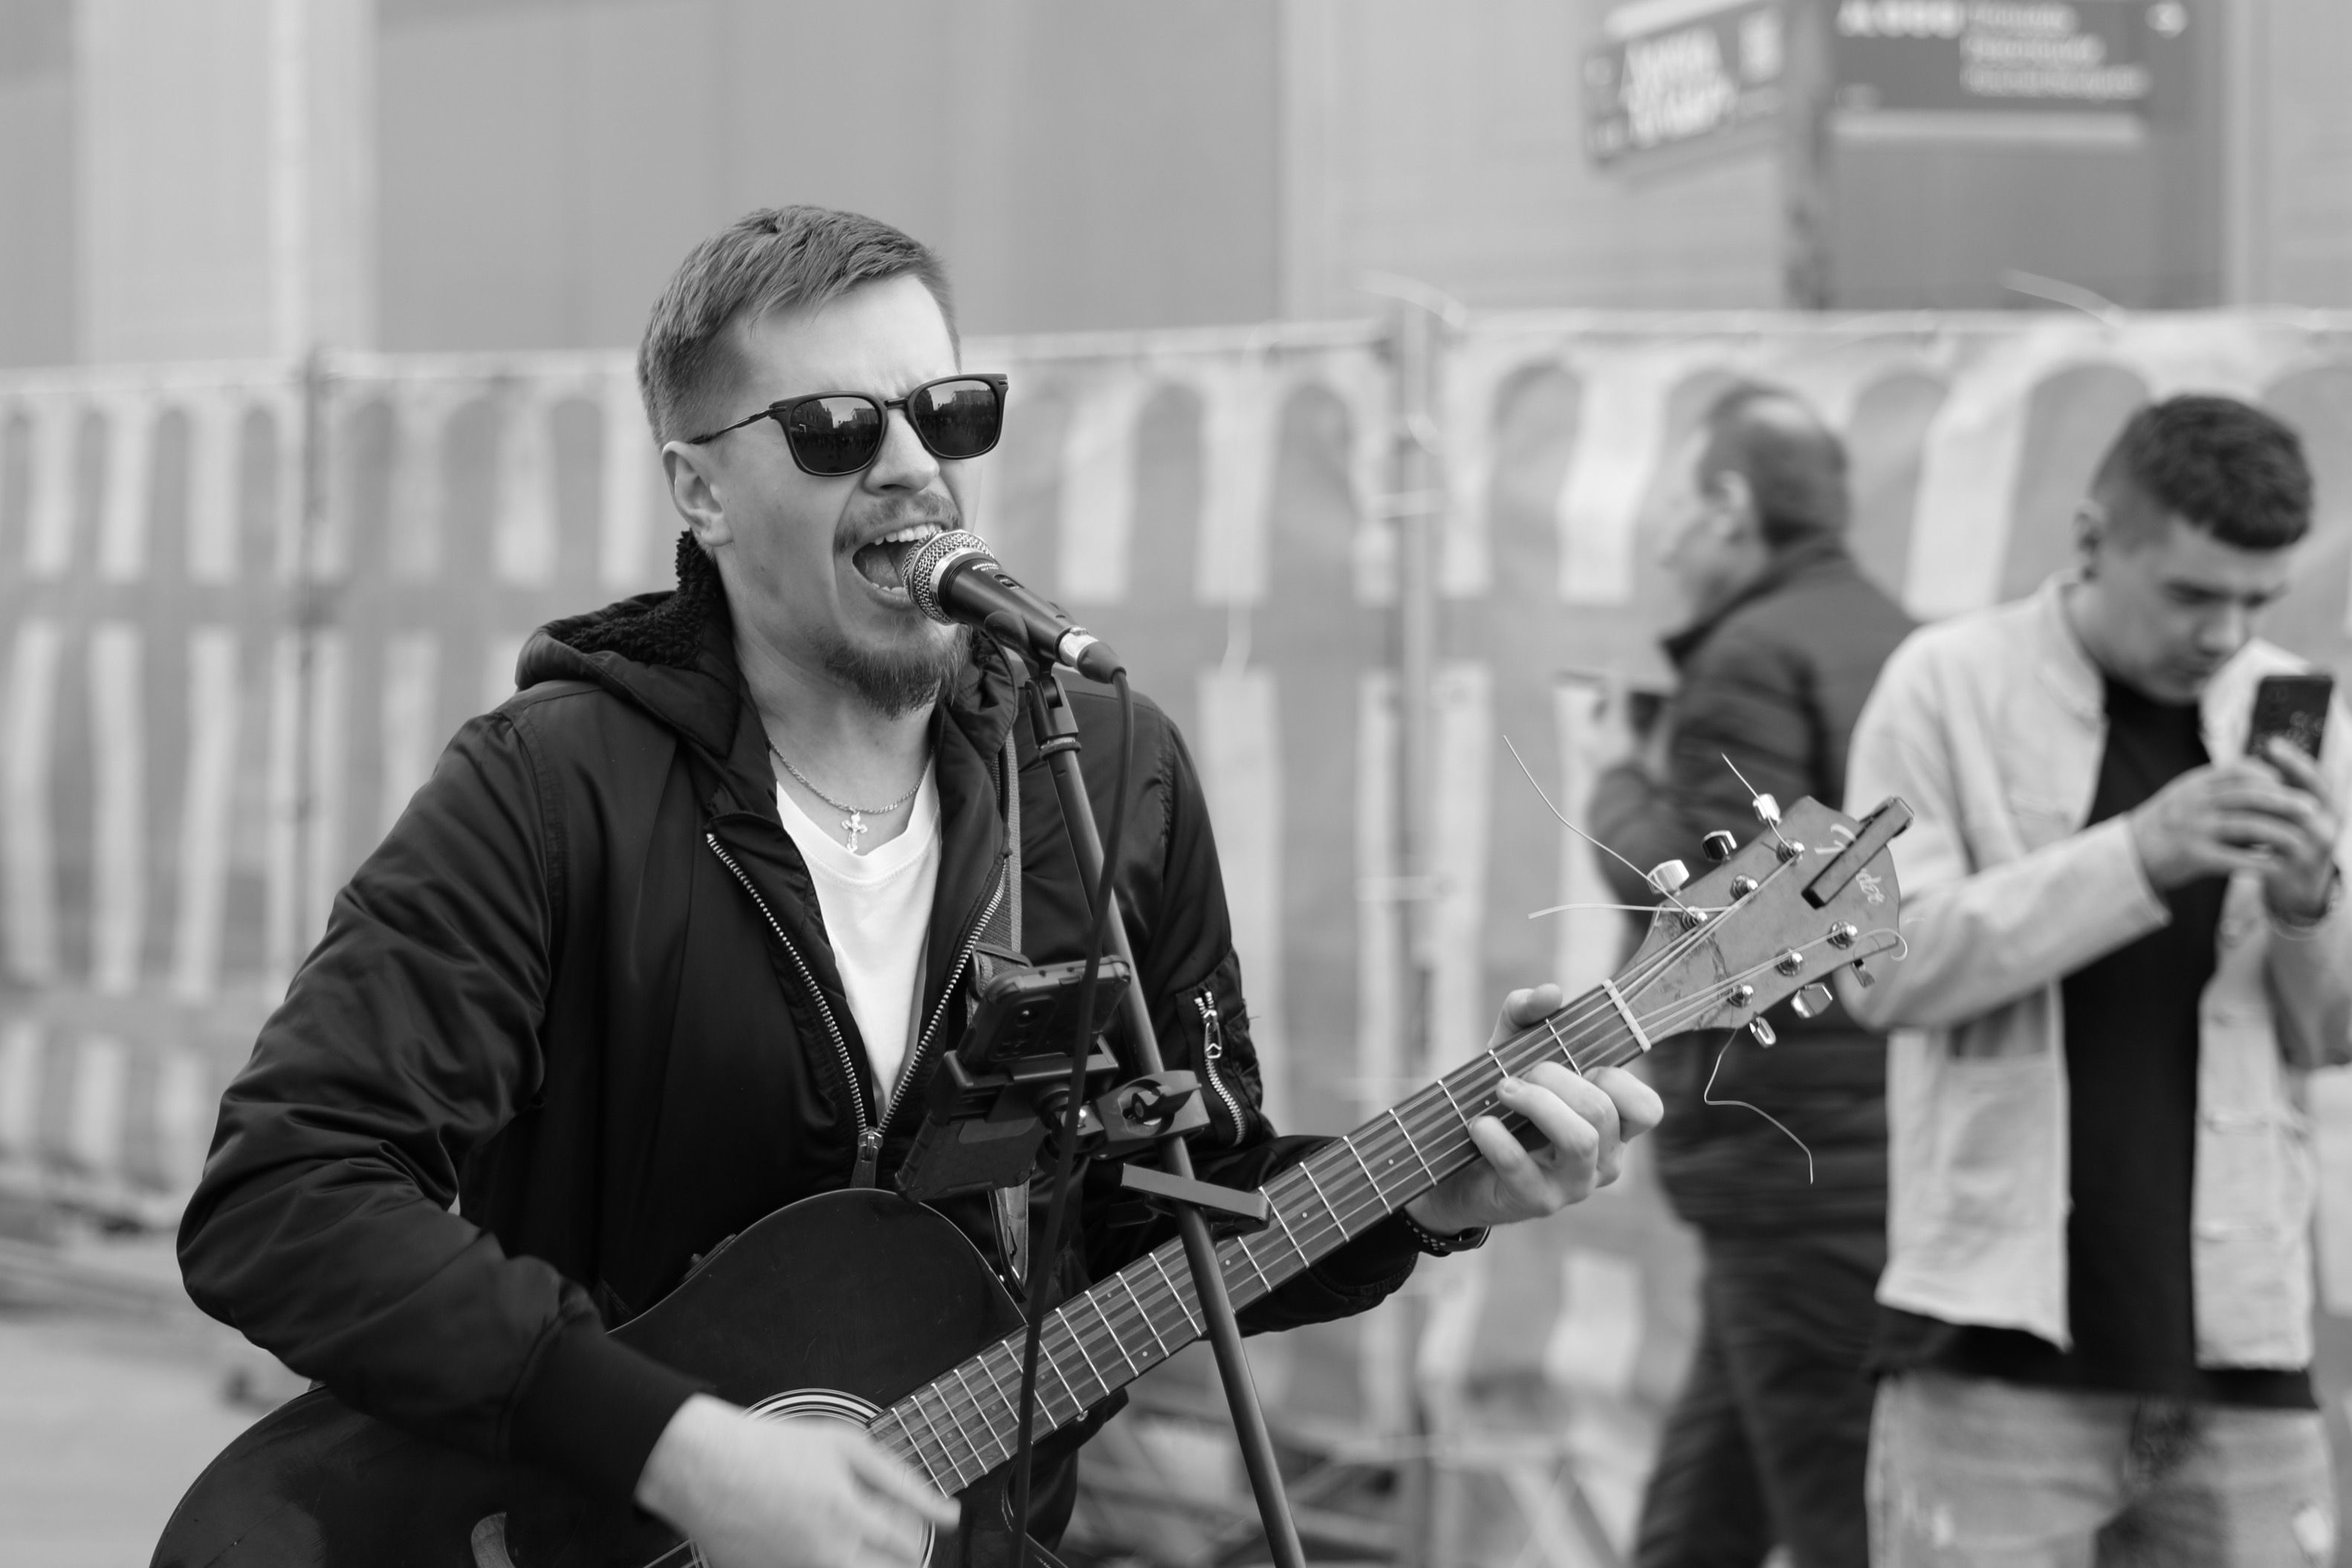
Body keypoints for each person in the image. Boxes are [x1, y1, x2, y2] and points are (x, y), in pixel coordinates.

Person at [175, 206, 1663, 1568]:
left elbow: (1163, 1214)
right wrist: (678, 1450)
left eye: (945, 412)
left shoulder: (1105, 770)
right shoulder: (551, 786)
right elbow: (287, 1192)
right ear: (698, 486)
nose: (910, 465)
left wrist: (1424, 1197)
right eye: (833, 427)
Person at [1843, 394, 2351, 1567]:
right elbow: (1880, 969)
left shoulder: (2291, 708)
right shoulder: (1944, 683)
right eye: (2190, 593)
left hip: (2241, 1340)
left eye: (2255, 599)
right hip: (1992, 1339)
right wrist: (2137, 853)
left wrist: (2304, 904)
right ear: (2088, 539)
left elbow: (2328, 1033)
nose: (2224, 632)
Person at [1590, 385, 1912, 1568]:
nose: (1664, 547)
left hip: (1798, 1166)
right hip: (1873, 1142)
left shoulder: (1749, 655)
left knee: (1839, 1520)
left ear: (1729, 505)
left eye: (1673, 512)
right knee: (1707, 1506)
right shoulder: (1903, 639)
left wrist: (1611, 775)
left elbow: (1717, 920)